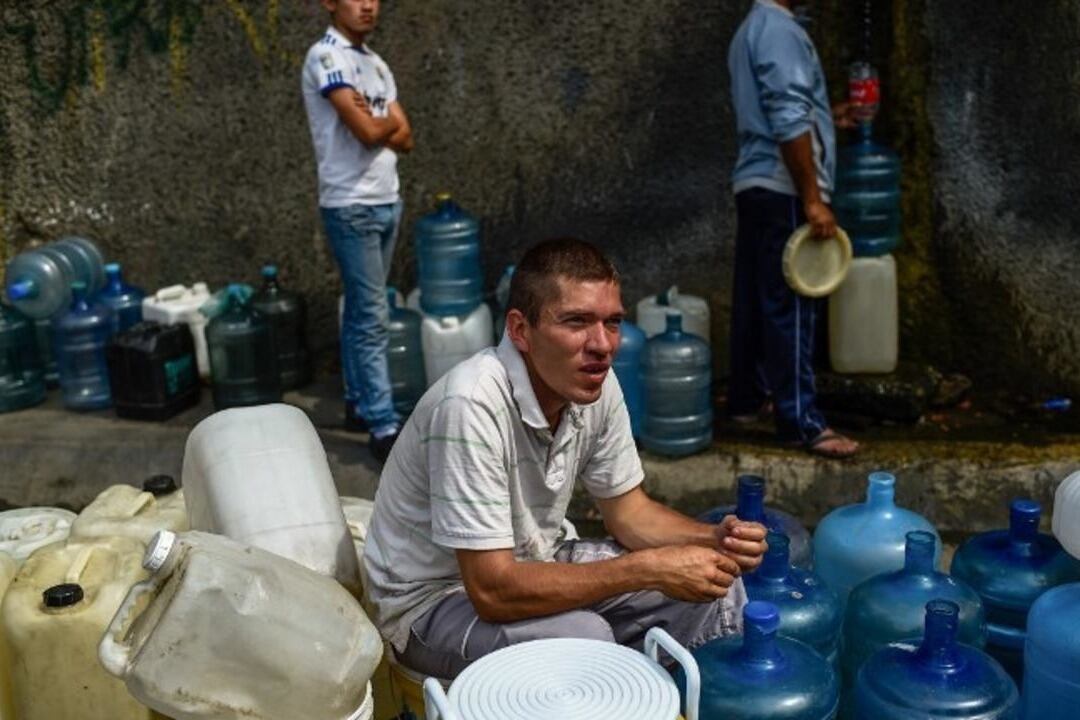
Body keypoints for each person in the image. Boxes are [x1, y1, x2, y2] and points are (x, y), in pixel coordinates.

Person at [362, 238, 768, 680]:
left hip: (534, 561)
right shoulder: (471, 405)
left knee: (717, 593)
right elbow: (492, 590)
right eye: (576, 322)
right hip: (432, 605)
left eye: (612, 323)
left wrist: (713, 539)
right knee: (585, 639)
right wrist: (645, 569)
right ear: (520, 330)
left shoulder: (595, 383)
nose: (602, 345)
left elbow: (630, 513)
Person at [726, 0, 860, 459]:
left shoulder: (752, 28)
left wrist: (830, 117)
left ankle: (746, 401)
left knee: (755, 299)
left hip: (756, 182)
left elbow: (785, 112)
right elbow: (786, 117)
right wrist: (812, 198)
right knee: (793, 306)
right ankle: (801, 423)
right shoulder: (780, 32)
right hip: (785, 188)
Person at [302, 0, 414, 462]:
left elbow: (406, 138)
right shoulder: (326, 57)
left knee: (359, 309)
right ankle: (384, 425)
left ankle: (358, 403)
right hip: (351, 206)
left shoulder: (375, 64)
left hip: (387, 200)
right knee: (371, 316)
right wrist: (384, 121)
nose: (368, 5)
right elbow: (370, 131)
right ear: (330, 3)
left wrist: (381, 121)